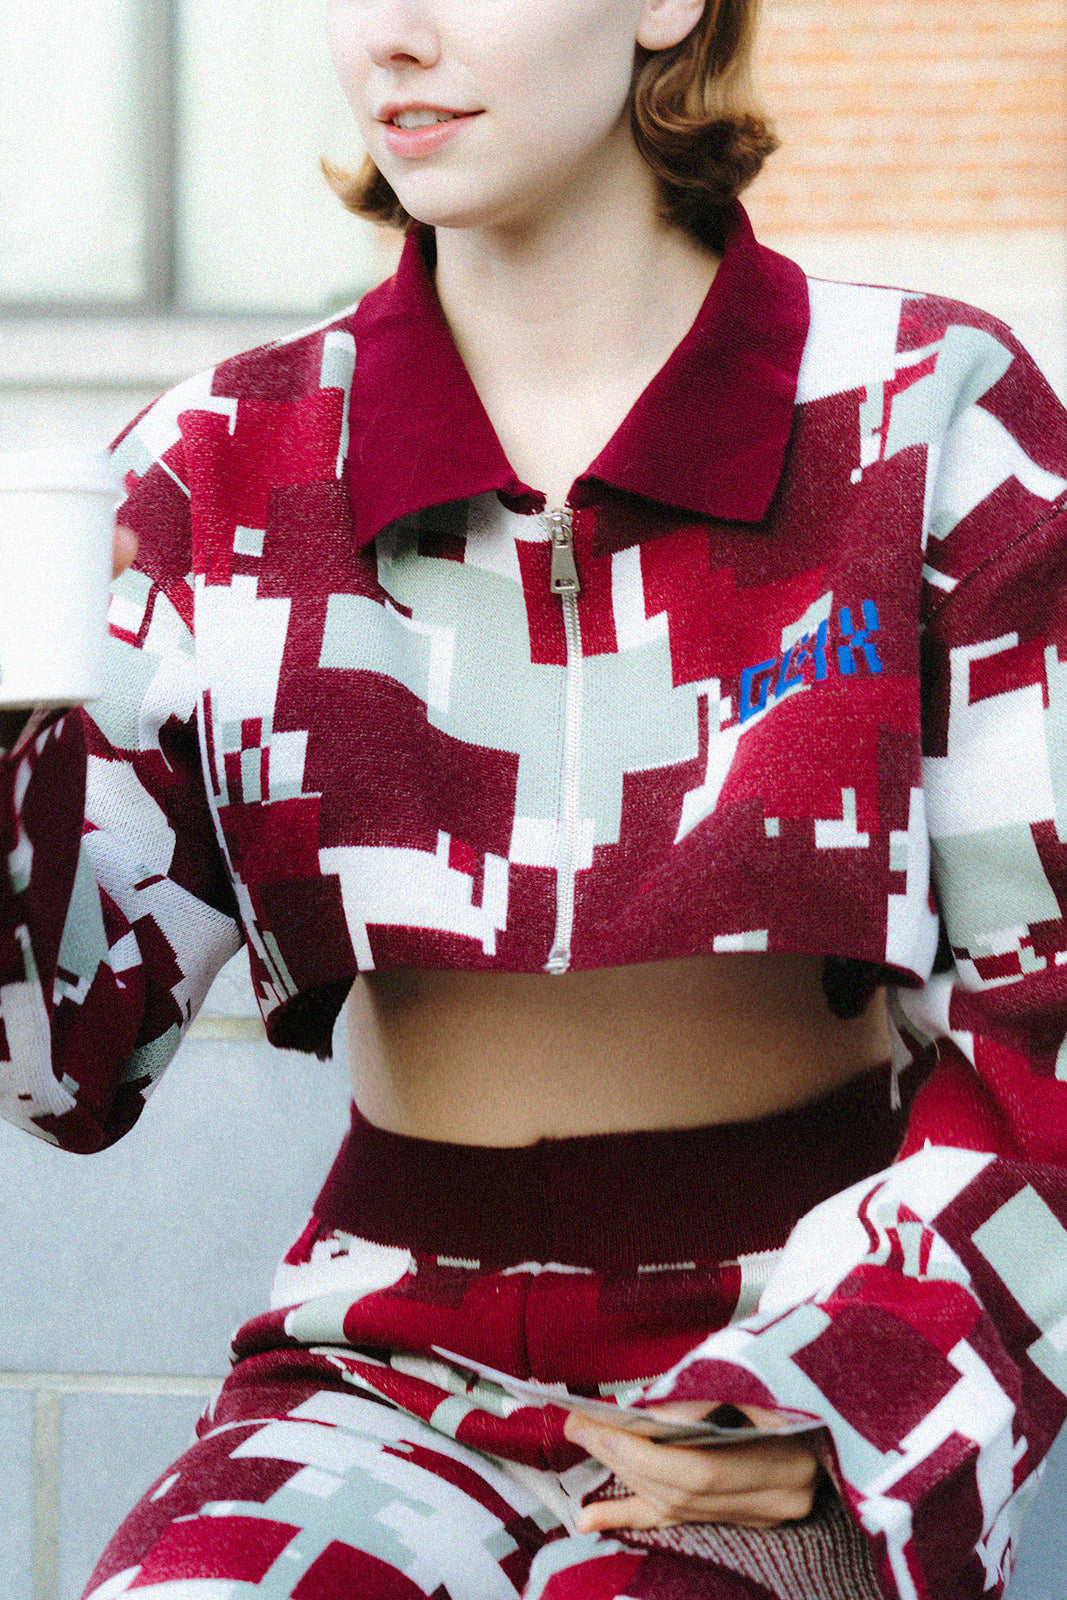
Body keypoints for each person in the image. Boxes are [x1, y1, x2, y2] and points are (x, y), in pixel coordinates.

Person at [3, 0, 1067, 1595]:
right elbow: (68, 1062)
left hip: (793, 1344)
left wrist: (859, 1399)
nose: (395, 38)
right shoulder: (221, 465)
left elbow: (1050, 1023)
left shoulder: (930, 418)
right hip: (379, 1368)